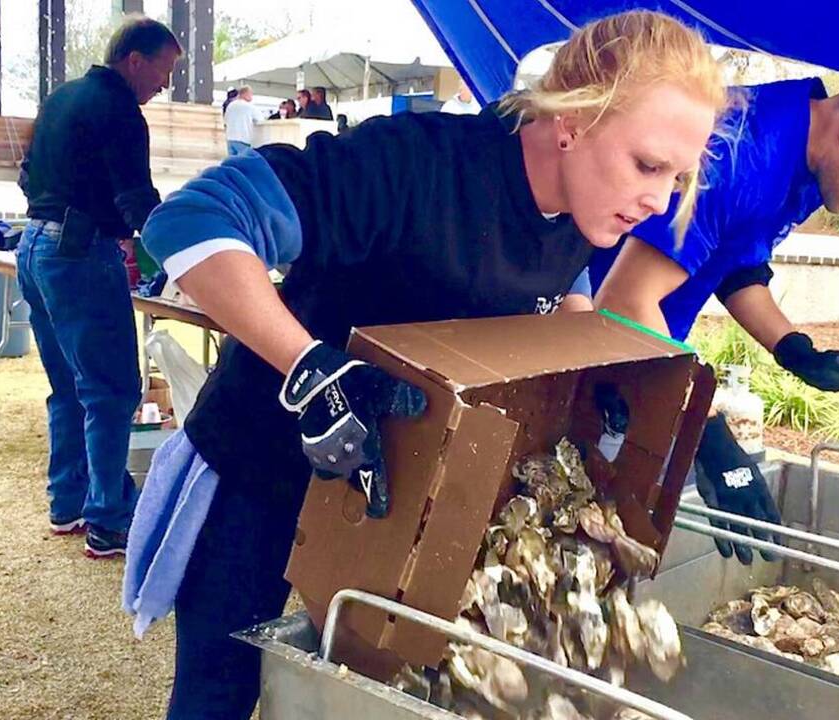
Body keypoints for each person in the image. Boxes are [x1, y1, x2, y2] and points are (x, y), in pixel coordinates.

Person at [125, 11, 727, 718]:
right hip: (264, 464)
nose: (659, 201)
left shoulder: (585, 210)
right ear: (574, 122)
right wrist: (310, 368)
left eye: (677, 178)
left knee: (368, 693)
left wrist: (594, 377)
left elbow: (561, 293)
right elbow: (188, 222)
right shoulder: (415, 165)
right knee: (217, 694)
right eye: (648, 166)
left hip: (392, 494)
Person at [588, 57, 839, 563]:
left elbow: (732, 262)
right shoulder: (738, 152)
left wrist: (795, 350)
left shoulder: (811, 160)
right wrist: (703, 429)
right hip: (590, 363)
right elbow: (623, 302)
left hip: (646, 375)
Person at [16, 16, 182, 558]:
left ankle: (67, 503)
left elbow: (28, 175)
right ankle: (109, 520)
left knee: (69, 385)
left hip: (35, 245)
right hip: (80, 252)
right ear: (136, 59)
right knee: (110, 391)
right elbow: (137, 199)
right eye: (165, 69)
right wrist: (186, 255)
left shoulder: (62, 98)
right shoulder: (121, 111)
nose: (165, 84)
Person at [223, 85, 260, 155]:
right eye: (251, 94)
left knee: (232, 162)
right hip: (243, 139)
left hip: (230, 138)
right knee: (242, 162)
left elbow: (226, 120)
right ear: (245, 94)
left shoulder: (230, 106)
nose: (252, 96)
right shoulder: (250, 107)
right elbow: (260, 120)